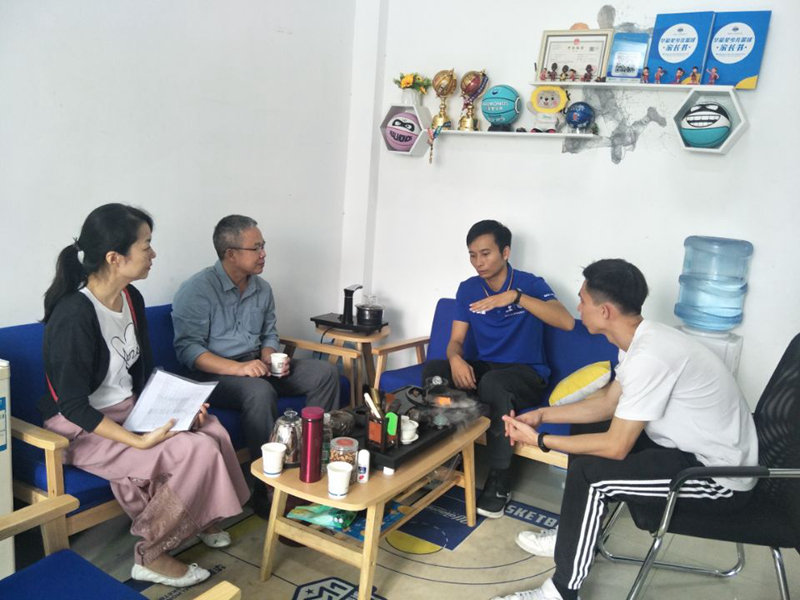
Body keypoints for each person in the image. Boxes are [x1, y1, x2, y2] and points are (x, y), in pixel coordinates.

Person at [493, 259, 758, 600]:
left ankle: (560, 592)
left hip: (718, 477)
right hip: (689, 448)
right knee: (589, 426)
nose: (578, 308)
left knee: (591, 477)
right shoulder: (639, 340)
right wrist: (543, 415)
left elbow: (616, 447)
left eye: (582, 300)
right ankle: (573, 531)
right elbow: (608, 404)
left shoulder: (650, 356)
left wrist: (540, 441)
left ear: (605, 311)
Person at [41, 204, 249, 588]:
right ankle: (151, 554)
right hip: (84, 427)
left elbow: (144, 372)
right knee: (194, 450)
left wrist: (182, 408)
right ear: (114, 258)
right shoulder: (74, 315)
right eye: (146, 245)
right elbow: (72, 405)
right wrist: (137, 440)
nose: (153, 254)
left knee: (211, 430)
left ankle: (203, 518)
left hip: (129, 409)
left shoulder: (131, 299)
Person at [172, 215, 339, 516]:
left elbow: (269, 332)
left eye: (263, 246)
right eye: (256, 248)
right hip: (214, 374)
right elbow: (189, 351)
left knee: (325, 373)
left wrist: (269, 355)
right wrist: (239, 368)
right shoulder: (197, 290)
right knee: (259, 392)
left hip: (256, 366)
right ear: (231, 254)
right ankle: (266, 487)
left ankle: (312, 460)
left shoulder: (262, 288)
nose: (263, 254)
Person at [423, 220, 574, 518]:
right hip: (488, 369)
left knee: (493, 383)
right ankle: (444, 455)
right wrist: (455, 359)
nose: (478, 262)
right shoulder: (468, 289)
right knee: (436, 369)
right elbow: (456, 342)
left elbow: (566, 322)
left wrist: (516, 297)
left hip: (527, 373)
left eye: (485, 253)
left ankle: (500, 479)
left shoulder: (530, 283)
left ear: (505, 252)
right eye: (472, 255)